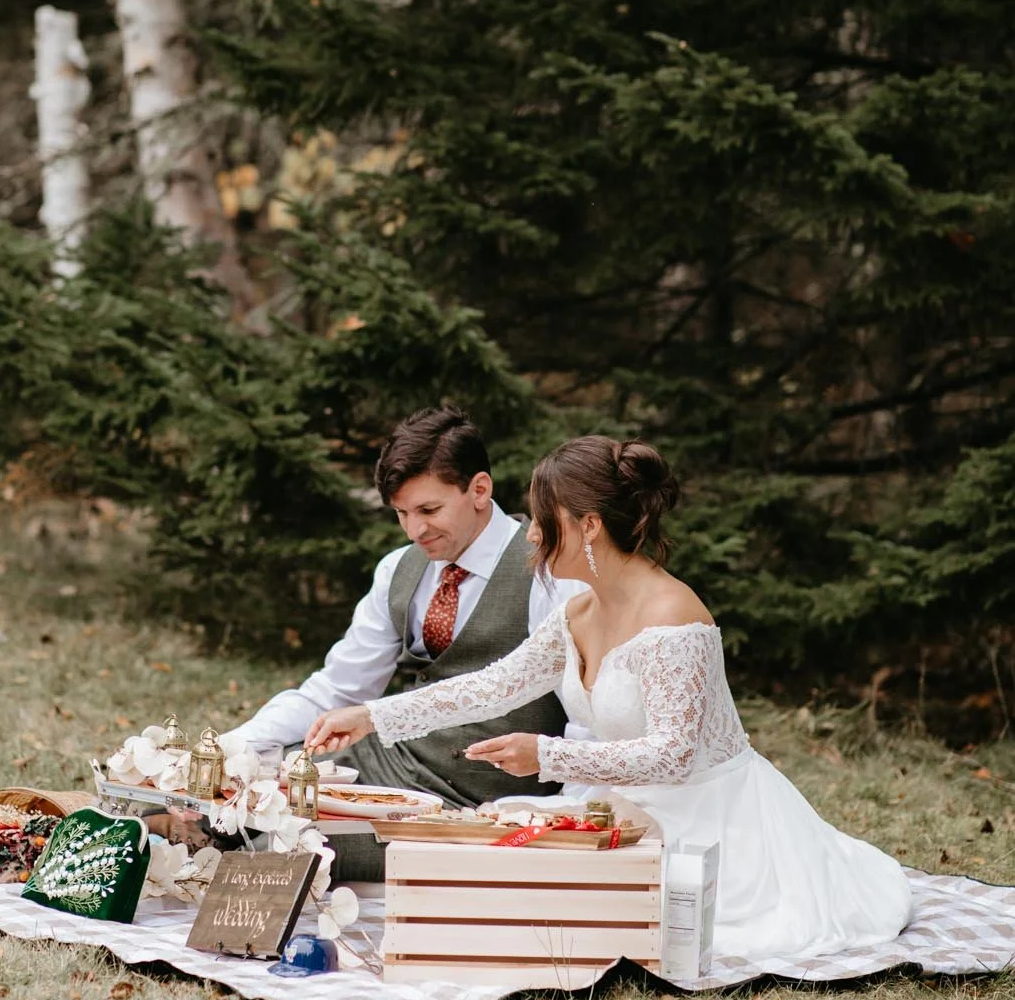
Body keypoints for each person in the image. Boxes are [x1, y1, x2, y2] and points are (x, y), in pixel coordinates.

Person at [306, 435, 913, 965]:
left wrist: (546, 756)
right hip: (621, 807)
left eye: (545, 520)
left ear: (588, 524)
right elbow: (493, 685)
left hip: (711, 821)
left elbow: (675, 756)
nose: (533, 534)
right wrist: (371, 716)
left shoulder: (675, 616)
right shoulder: (578, 610)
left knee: (601, 921)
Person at [220, 406, 588, 812]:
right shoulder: (399, 568)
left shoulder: (549, 572)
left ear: (480, 490)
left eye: (429, 511)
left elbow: (585, 716)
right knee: (230, 799)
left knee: (283, 835)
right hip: (382, 767)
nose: (415, 531)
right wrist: (237, 747)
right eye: (402, 514)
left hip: (480, 801)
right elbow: (338, 689)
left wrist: (568, 816)